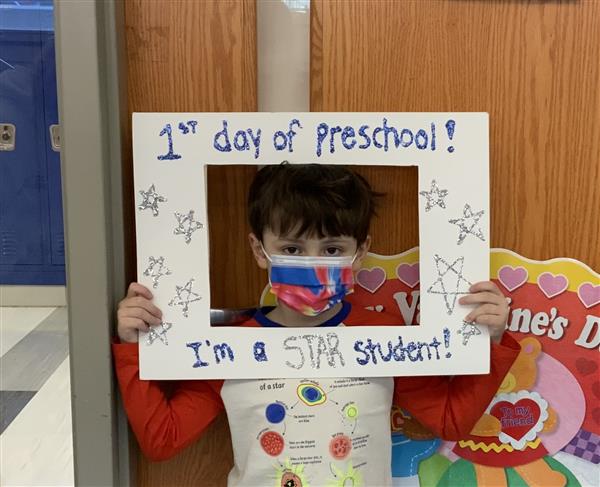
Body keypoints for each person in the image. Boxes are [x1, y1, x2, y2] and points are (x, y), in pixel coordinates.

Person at [113, 163, 519, 486]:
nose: (312, 262)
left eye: (332, 248)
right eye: (291, 248)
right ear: (259, 249)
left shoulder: (381, 334)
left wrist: (492, 339)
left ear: (361, 252)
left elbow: (450, 419)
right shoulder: (228, 346)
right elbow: (163, 439)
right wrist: (135, 349)